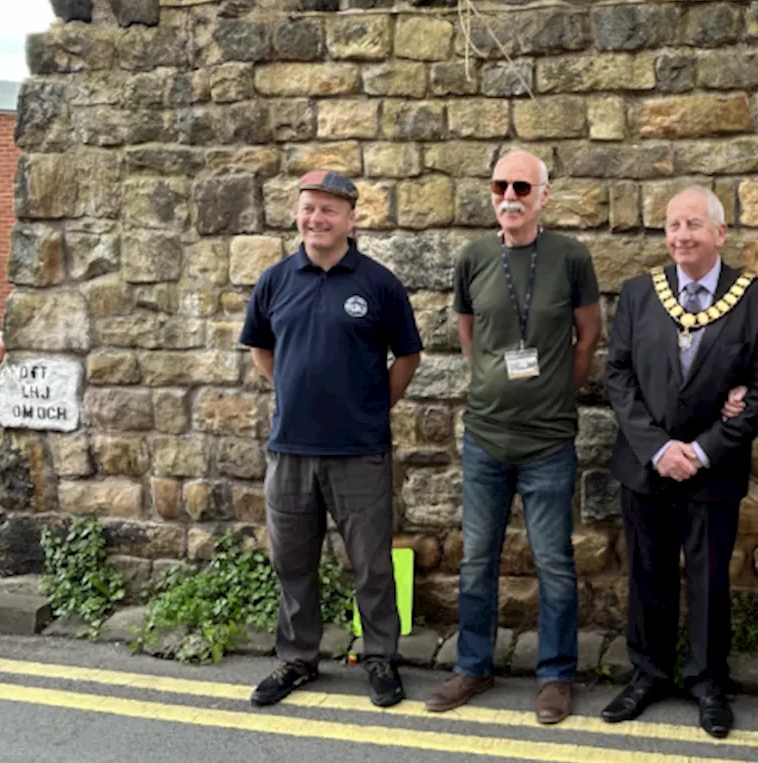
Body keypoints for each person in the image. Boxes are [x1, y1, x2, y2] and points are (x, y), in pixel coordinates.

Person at [425, 150, 601, 725]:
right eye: (501, 185)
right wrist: (487, 381)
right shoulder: (473, 257)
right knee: (477, 559)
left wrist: (554, 395)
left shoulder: (571, 257)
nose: (510, 196)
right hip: (485, 438)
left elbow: (587, 335)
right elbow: (469, 329)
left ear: (543, 195)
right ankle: (473, 665)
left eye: (522, 187)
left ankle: (555, 675)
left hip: (548, 441)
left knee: (553, 560)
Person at [603, 186, 758, 739]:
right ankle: (648, 674)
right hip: (646, 466)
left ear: (720, 233)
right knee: (647, 575)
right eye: (673, 225)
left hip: (714, 469)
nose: (681, 235)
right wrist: (659, 448)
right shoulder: (638, 293)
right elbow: (618, 376)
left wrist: (702, 450)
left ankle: (707, 683)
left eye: (693, 225)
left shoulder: (757, 300)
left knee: (708, 582)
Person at [240, 170, 423, 709]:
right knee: (293, 561)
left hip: (359, 452)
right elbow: (261, 348)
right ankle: (298, 658)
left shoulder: (378, 283)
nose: (316, 219)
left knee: (370, 564)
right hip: (291, 449)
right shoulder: (275, 280)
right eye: (309, 208)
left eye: (328, 210)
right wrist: (292, 392)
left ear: (350, 218)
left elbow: (408, 355)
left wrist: (372, 405)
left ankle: (381, 658)